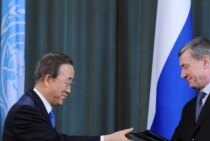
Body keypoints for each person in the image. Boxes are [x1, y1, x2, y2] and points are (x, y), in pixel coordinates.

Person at [2, 52, 133, 141]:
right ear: (48, 79)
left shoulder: (36, 106)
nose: (69, 90)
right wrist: (106, 139)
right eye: (67, 83)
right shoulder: (25, 111)